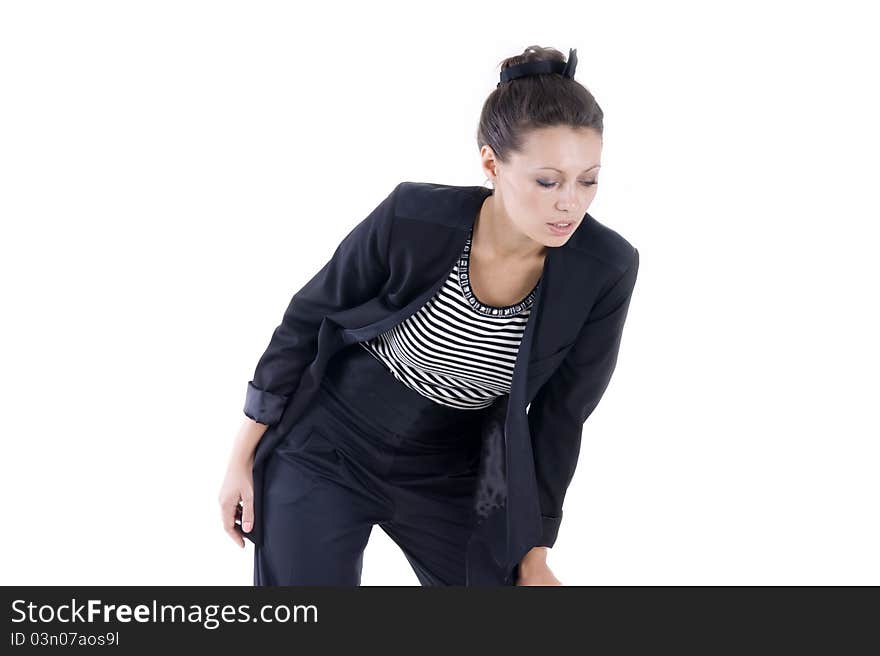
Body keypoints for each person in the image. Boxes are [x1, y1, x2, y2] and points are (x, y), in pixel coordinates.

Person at [218, 45, 640, 586]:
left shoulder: (604, 268)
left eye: (588, 180)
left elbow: (560, 416)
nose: (571, 204)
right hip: (331, 443)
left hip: (459, 467)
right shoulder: (412, 217)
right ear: (491, 163)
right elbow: (306, 320)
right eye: (547, 181)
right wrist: (241, 456)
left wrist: (534, 551)